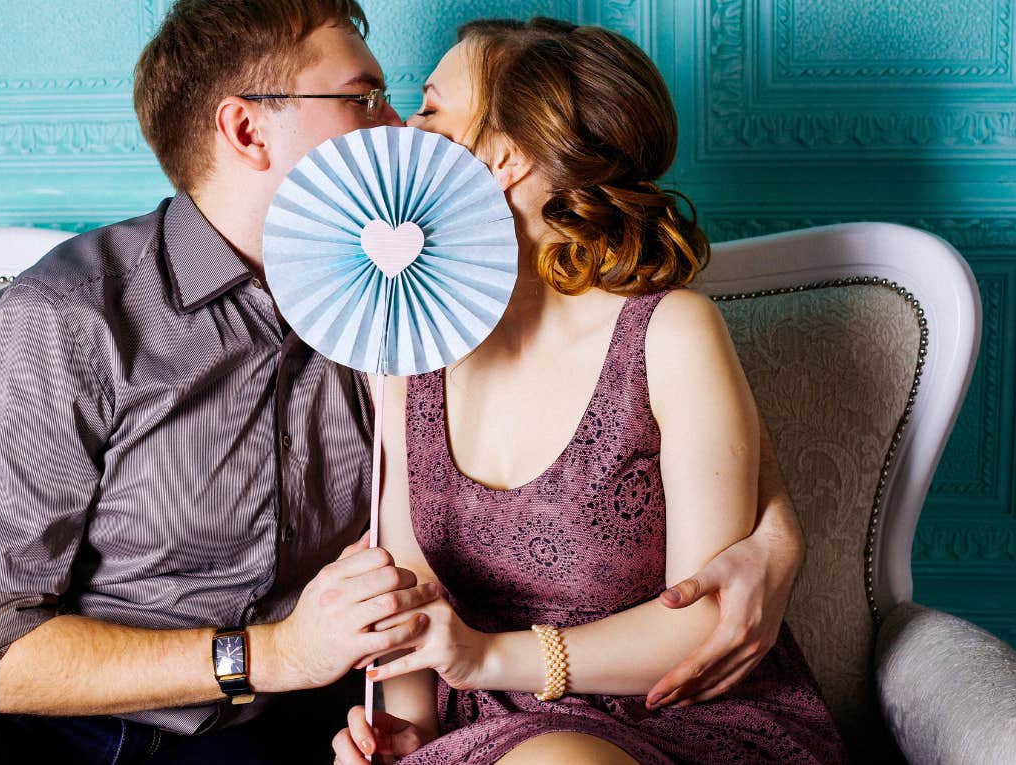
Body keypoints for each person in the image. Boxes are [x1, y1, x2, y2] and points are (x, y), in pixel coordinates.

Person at [0, 3, 804, 763]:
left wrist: (777, 531)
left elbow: (617, 441)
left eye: (412, 101)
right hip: (27, 716)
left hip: (249, 732)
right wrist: (280, 656)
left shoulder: (404, 310)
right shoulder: (67, 318)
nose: (396, 127)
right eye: (367, 97)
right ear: (246, 128)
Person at [333, 18, 844, 765]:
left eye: (432, 109)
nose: (407, 128)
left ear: (503, 157)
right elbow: (408, 591)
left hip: (675, 714)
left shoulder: (670, 334)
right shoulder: (405, 349)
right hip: (481, 730)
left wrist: (486, 657)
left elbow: (705, 621)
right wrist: (407, 734)